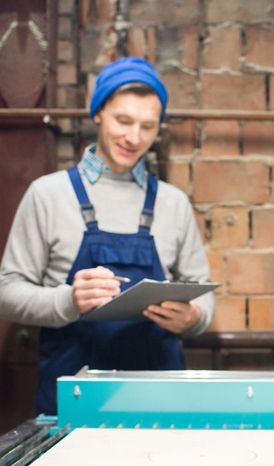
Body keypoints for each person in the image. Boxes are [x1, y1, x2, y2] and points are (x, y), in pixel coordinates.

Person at [0, 57, 215, 415]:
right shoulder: (48, 195)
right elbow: (6, 292)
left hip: (161, 403)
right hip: (71, 404)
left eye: (147, 126)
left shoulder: (172, 203)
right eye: (123, 121)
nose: (134, 138)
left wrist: (192, 318)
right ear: (98, 112)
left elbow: (203, 295)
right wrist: (67, 301)